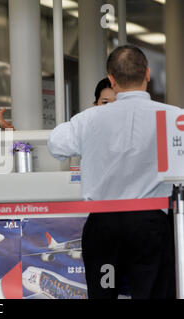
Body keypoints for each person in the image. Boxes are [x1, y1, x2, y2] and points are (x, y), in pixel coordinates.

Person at [48, 45, 178, 299]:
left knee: (104, 294)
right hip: (151, 224)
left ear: (111, 79)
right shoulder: (174, 118)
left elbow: (56, 145)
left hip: (104, 224)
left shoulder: (90, 119)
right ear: (148, 74)